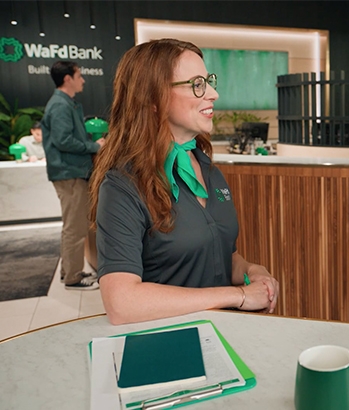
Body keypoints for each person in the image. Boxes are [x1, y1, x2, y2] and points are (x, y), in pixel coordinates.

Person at [88, 39, 279, 325]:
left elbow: (222, 256)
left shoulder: (208, 169)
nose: (213, 93)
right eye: (197, 84)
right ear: (152, 99)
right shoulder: (122, 186)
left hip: (225, 333)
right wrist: (237, 295)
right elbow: (121, 303)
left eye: (209, 81)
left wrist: (253, 270)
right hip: (168, 343)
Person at [42, 61, 105, 290]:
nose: (83, 80)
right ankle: (73, 278)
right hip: (70, 172)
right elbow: (63, 141)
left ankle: (68, 271)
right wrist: (94, 146)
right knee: (75, 228)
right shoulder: (60, 105)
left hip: (71, 171)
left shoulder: (66, 104)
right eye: (79, 75)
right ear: (67, 78)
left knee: (71, 225)